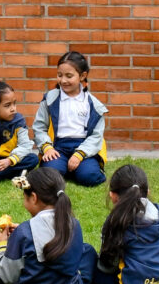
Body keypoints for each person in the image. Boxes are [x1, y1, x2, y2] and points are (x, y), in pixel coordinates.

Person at [87, 164, 159, 284]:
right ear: (148, 192)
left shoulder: (116, 222)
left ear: (113, 195)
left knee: (90, 259)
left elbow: (108, 266)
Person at [0, 168, 90, 284]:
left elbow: (7, 277)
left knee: (0, 252)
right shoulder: (74, 224)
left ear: (33, 198)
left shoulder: (24, 232)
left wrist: (3, 243)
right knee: (88, 251)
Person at [33, 51, 108, 187]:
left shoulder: (94, 105)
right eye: (59, 75)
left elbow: (96, 136)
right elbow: (39, 127)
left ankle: (78, 168)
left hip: (83, 148)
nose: (63, 80)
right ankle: (64, 167)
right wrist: (47, 148)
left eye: (69, 76)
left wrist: (79, 155)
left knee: (90, 177)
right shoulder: (49, 99)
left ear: (82, 76)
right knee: (50, 175)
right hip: (57, 147)